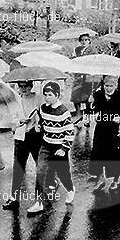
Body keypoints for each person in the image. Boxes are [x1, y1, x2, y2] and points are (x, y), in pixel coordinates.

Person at [27, 81, 75, 215]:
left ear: (57, 95)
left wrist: (64, 149)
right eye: (45, 94)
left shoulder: (64, 112)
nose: (47, 97)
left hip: (59, 147)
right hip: (46, 145)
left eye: (50, 94)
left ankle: (70, 190)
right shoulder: (43, 108)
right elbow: (42, 122)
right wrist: (39, 126)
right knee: (40, 171)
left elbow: (70, 133)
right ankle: (38, 203)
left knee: (63, 173)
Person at [89, 75, 120, 192]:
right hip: (102, 130)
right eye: (106, 86)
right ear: (103, 86)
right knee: (99, 154)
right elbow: (94, 110)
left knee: (115, 156)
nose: (108, 88)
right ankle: (101, 179)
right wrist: (92, 107)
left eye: (111, 86)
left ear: (116, 86)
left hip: (116, 131)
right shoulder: (98, 95)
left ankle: (116, 179)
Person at [3, 80, 42, 210]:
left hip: (36, 136)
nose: (23, 89)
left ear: (31, 86)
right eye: (21, 86)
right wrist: (19, 120)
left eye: (26, 86)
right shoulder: (16, 100)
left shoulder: (38, 98)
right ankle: (14, 197)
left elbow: (44, 114)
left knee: (40, 165)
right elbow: (11, 119)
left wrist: (38, 121)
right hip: (21, 136)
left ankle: (40, 199)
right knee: (18, 167)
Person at [70, 34, 95, 126]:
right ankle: (78, 114)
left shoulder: (92, 50)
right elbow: (74, 60)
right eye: (82, 40)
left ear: (89, 41)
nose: (84, 42)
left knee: (87, 97)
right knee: (75, 95)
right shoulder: (77, 49)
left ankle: (88, 118)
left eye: (86, 40)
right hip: (78, 74)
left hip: (88, 74)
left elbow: (92, 61)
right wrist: (74, 57)